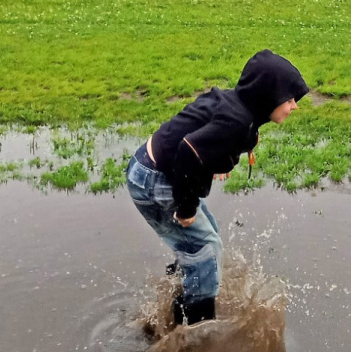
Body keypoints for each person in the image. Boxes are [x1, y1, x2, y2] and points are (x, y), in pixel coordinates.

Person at [126, 49, 309, 326]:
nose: (294, 106)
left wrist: (212, 160)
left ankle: (177, 294)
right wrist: (186, 209)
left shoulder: (236, 106)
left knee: (206, 239)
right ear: (268, 96)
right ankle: (195, 328)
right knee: (205, 249)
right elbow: (188, 152)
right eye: (290, 99)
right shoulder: (236, 120)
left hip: (151, 168)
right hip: (154, 180)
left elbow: (198, 129)